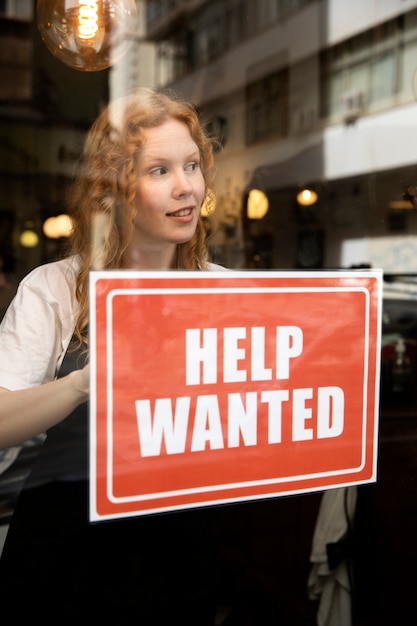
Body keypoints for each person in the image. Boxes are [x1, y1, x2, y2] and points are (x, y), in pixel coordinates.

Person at [0, 88, 227, 624]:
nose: (186, 187)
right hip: (65, 565)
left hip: (180, 559)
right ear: (116, 190)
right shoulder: (55, 289)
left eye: (192, 166)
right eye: (159, 171)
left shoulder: (222, 293)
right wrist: (82, 385)